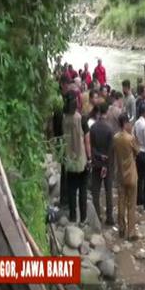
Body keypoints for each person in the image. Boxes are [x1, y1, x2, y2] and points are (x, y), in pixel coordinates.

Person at [62, 94, 91, 224]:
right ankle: (83, 218)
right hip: (81, 160)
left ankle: (73, 217)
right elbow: (87, 142)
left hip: (69, 159)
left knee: (72, 190)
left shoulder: (64, 119)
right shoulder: (82, 119)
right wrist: (89, 158)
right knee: (83, 190)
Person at [113, 113, 140, 240]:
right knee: (131, 204)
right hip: (131, 174)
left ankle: (121, 228)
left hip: (120, 174)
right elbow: (137, 151)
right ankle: (131, 232)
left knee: (121, 202)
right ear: (125, 123)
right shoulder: (130, 139)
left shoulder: (116, 138)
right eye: (128, 122)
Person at [89, 103, 115, 225]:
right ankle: (109, 217)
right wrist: (106, 163)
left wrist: (99, 156)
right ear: (107, 112)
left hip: (96, 163)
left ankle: (97, 217)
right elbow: (111, 150)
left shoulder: (93, 128)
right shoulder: (110, 129)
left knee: (96, 191)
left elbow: (92, 147)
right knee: (108, 191)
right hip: (108, 164)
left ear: (99, 112)